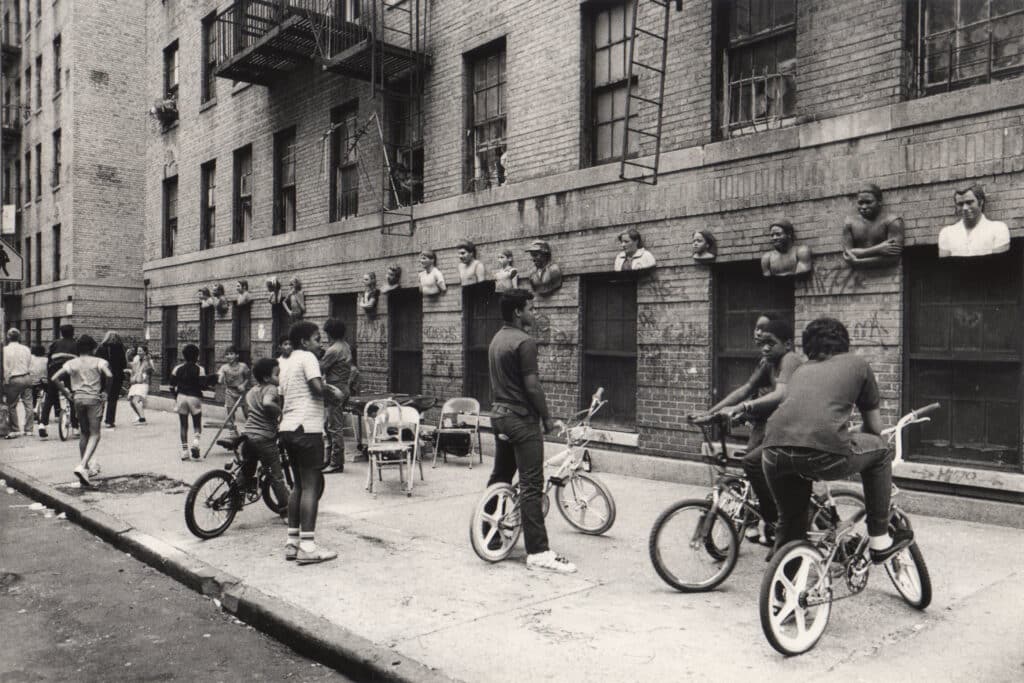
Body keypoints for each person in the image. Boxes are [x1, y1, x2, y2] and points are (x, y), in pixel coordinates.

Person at [762, 317, 913, 564]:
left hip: (772, 451)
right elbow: (875, 429)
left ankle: (781, 596)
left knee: (791, 524)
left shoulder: (801, 370)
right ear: (844, 343)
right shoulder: (858, 365)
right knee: (883, 452)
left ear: (808, 346)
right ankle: (880, 539)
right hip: (822, 451)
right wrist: (854, 434)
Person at [486, 288, 575, 573]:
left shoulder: (497, 339)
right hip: (521, 420)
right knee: (531, 486)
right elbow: (532, 386)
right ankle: (538, 551)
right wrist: (547, 419)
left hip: (498, 416)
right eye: (530, 309)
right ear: (518, 312)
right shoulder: (524, 341)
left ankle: (490, 532)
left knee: (500, 477)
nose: (533, 313)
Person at [705, 318, 802, 546]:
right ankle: (771, 521)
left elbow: (781, 395)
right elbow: (746, 389)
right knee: (754, 468)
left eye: (770, 342)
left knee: (754, 464)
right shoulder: (769, 362)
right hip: (773, 424)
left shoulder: (790, 359)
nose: (765, 348)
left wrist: (744, 407)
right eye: (762, 343)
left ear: (787, 344)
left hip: (793, 428)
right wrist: (710, 413)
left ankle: (776, 522)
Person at [279, 321, 344, 565]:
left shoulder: (286, 362)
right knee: (311, 486)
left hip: (288, 428)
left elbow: (283, 396)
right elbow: (316, 388)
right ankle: (308, 546)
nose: (321, 343)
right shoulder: (308, 358)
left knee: (297, 486)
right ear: (305, 342)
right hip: (307, 429)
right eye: (317, 339)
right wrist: (334, 393)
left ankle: (292, 542)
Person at [52, 335, 113, 488]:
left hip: (77, 399)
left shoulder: (71, 363)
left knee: (84, 432)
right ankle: (83, 465)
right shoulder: (99, 361)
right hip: (93, 399)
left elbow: (54, 378)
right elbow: (110, 375)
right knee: (95, 434)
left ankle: (84, 469)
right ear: (93, 348)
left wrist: (66, 393)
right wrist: (106, 391)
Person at [236, 357, 289, 516]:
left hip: (248, 436)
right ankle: (287, 511)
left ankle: (235, 500)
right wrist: (280, 412)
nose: (279, 378)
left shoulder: (251, 392)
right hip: (264, 439)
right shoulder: (271, 388)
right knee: (276, 476)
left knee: (246, 471)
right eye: (277, 374)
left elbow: (247, 412)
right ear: (267, 378)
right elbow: (267, 403)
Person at [841, 183, 904, 269]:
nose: (863, 207)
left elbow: (893, 258)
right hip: (858, 278)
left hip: (886, 277)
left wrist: (858, 261)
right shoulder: (849, 222)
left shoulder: (892, 221)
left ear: (879, 202)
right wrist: (878, 249)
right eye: (860, 203)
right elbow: (847, 254)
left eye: (868, 202)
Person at [938, 183, 1009, 258]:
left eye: (969, 202)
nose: (965, 208)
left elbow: (999, 264)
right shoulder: (946, 233)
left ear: (981, 202)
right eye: (960, 204)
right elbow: (945, 266)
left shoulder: (998, 229)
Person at [319, 318, 352, 474]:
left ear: (329, 333)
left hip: (335, 389)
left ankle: (336, 463)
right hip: (343, 387)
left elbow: (320, 368)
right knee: (329, 425)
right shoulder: (345, 346)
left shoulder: (333, 350)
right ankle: (329, 459)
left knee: (334, 427)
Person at [38, 324, 79, 439]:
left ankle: (42, 424)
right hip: (69, 370)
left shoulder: (55, 343)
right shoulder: (76, 344)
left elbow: (49, 359)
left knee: (50, 397)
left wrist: (49, 374)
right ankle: (75, 427)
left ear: (61, 333)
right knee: (72, 396)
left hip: (54, 370)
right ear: (73, 332)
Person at [170, 344, 207, 460]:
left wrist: (176, 396)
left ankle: (185, 451)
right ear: (197, 356)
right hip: (194, 397)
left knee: (183, 425)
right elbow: (203, 385)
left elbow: (171, 386)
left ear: (184, 356)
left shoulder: (177, 368)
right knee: (196, 422)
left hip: (181, 397)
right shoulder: (200, 369)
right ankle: (196, 442)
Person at [3, 328, 33, 439]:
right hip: (27, 377)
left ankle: (15, 429)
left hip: (14, 379)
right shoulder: (26, 349)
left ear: (8, 337)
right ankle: (29, 429)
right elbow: (30, 362)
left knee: (12, 405)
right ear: (19, 337)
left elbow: (5, 368)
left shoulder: (5, 350)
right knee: (28, 403)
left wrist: (6, 380)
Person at [217, 346, 251, 437]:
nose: (229, 356)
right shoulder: (224, 367)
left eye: (231, 354)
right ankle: (233, 434)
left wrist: (243, 385)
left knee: (247, 413)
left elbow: (248, 377)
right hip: (230, 391)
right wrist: (219, 378)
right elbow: (219, 377)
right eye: (227, 354)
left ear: (237, 355)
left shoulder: (243, 366)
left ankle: (250, 430)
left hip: (242, 392)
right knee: (230, 413)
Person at [96, 331, 127, 429]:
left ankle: (97, 419)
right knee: (113, 399)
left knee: (101, 397)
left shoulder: (101, 348)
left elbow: (96, 362)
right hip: (117, 376)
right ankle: (109, 421)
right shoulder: (120, 348)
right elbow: (124, 364)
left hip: (103, 375)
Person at [127, 345, 155, 425]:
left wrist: (147, 365)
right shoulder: (137, 359)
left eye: (140, 351)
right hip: (135, 383)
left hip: (143, 383)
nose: (138, 352)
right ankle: (140, 417)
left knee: (135, 401)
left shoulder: (148, 360)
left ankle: (143, 419)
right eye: (138, 351)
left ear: (145, 352)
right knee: (131, 402)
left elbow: (152, 370)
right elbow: (131, 365)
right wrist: (127, 355)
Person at [29, 344, 49, 429]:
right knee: (49, 395)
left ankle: (33, 408)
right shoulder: (46, 360)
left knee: (33, 395)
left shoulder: (31, 359)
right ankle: (56, 411)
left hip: (33, 381)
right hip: (44, 381)